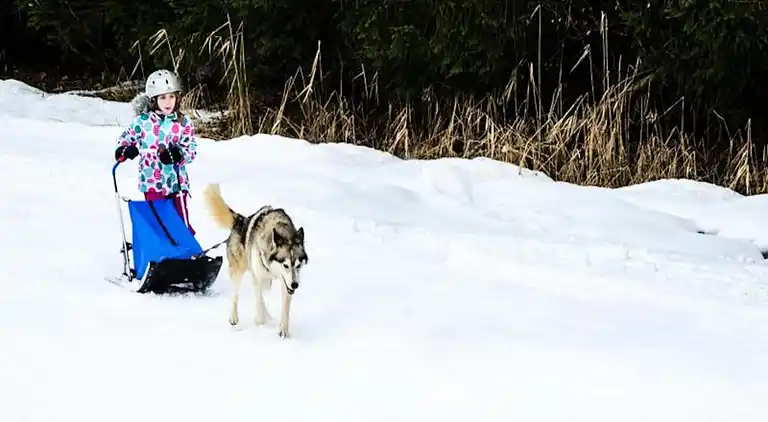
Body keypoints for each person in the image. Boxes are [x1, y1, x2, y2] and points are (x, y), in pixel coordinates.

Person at [114, 69, 198, 235]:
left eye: (172, 96)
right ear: (153, 100)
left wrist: (179, 154)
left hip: (177, 182)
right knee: (158, 219)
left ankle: (186, 252)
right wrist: (124, 149)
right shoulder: (142, 122)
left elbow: (191, 148)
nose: (168, 102)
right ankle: (161, 254)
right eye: (163, 97)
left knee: (180, 220)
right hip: (152, 181)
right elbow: (126, 138)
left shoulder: (182, 122)